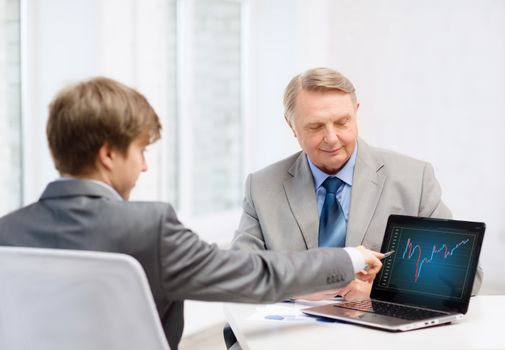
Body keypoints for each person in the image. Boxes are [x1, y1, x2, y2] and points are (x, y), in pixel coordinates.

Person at [0, 77, 384, 350]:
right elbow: (255, 275)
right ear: (108, 155)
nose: (144, 168)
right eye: (141, 152)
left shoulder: (7, 232)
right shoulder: (147, 229)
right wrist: (350, 258)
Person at [231, 67, 482, 301]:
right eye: (316, 126)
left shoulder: (414, 179)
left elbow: (467, 279)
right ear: (291, 125)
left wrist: (380, 290)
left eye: (342, 122)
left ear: (356, 112)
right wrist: (304, 288)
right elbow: (238, 275)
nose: (332, 138)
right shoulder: (262, 187)